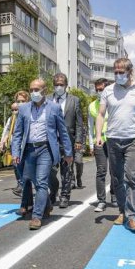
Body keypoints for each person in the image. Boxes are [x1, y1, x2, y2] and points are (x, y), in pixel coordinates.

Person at [95, 58, 135, 231]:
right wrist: (99, 135)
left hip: (133, 139)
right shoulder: (107, 90)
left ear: (130, 72)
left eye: (121, 72)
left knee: (131, 177)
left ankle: (131, 216)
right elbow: (100, 114)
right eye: (115, 72)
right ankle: (122, 210)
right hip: (113, 139)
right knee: (117, 179)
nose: (118, 75)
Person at [12, 78, 73, 230]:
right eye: (31, 90)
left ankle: (36, 216)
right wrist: (15, 152)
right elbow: (18, 133)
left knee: (41, 181)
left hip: (45, 149)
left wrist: (68, 152)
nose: (34, 93)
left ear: (45, 90)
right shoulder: (24, 109)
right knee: (34, 181)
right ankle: (46, 204)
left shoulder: (54, 107)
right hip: (28, 150)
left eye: (37, 90)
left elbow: (63, 132)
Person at [48, 73, 83, 208]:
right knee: (50, 169)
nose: (59, 87)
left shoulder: (74, 100)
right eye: (56, 84)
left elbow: (79, 123)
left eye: (61, 84)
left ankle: (65, 195)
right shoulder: (47, 99)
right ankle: (54, 190)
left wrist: (79, 140)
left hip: (68, 139)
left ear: (66, 85)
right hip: (51, 140)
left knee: (67, 169)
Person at [88, 78, 115, 212]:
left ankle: (114, 196)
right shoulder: (92, 105)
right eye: (97, 89)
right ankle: (101, 200)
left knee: (115, 171)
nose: (99, 92)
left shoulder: (115, 103)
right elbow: (89, 125)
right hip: (99, 142)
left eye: (101, 89)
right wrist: (91, 144)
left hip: (113, 140)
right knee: (101, 171)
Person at [0, 91, 29, 197]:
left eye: (23, 101)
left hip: (27, 146)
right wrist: (2, 142)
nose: (15, 110)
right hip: (15, 146)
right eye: (18, 102)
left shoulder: (30, 115)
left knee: (26, 168)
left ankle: (25, 187)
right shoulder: (12, 118)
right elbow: (6, 131)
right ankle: (21, 185)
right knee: (17, 166)